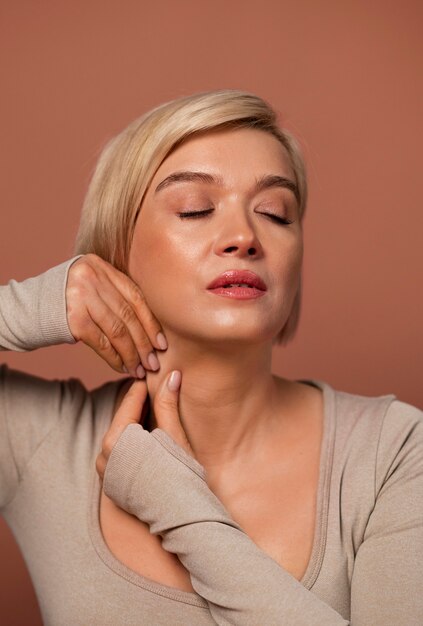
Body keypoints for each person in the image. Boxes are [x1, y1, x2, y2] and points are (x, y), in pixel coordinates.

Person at [0, 89, 422, 626]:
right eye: (195, 208)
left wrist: (177, 506)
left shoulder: (393, 452)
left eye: (275, 213)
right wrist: (25, 308)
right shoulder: (40, 442)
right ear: (117, 247)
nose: (244, 236)